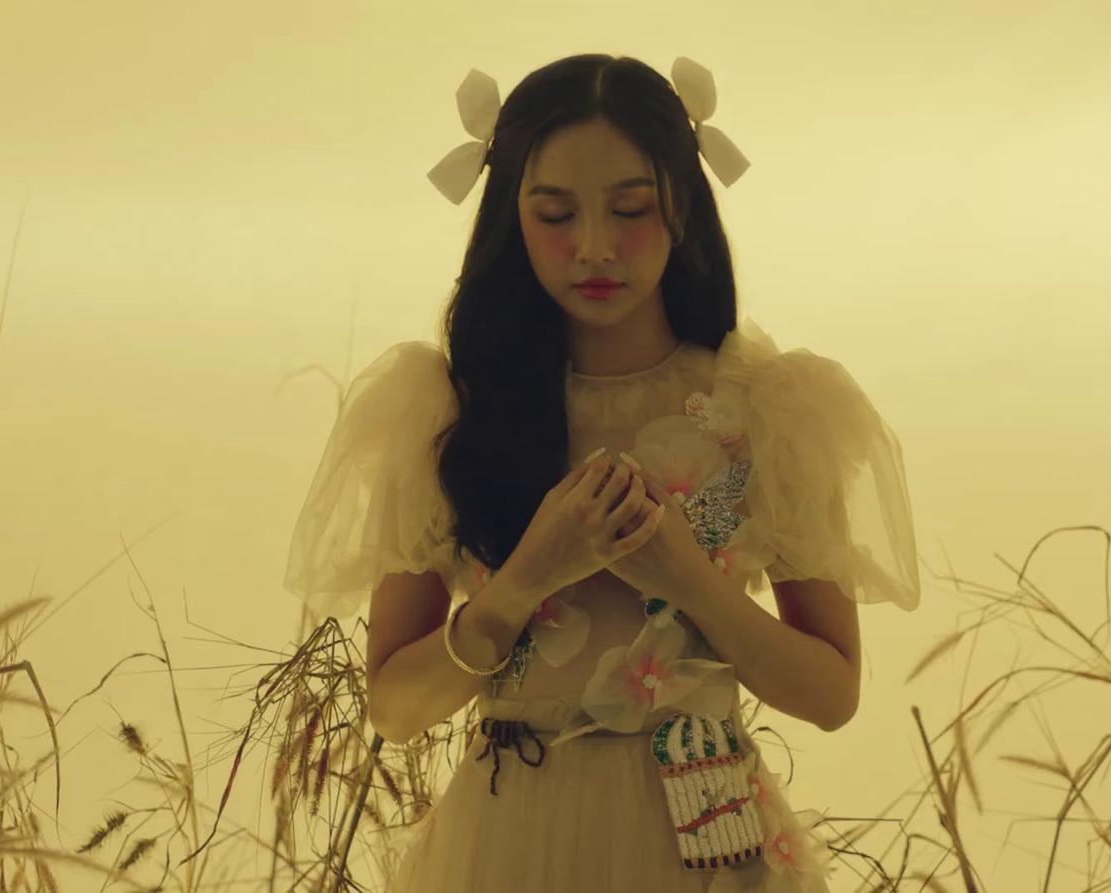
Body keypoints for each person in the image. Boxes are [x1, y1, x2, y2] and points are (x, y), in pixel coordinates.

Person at [284, 53, 921, 893]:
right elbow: (395, 707)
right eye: (555, 213)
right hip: (510, 839)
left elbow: (832, 692)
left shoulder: (766, 410)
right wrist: (523, 582)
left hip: (707, 837)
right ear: (512, 214)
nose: (595, 247)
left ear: (682, 207)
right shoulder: (446, 414)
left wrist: (687, 577)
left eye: (630, 209)